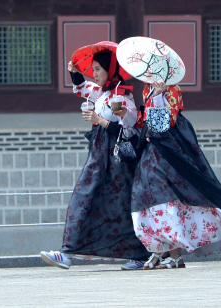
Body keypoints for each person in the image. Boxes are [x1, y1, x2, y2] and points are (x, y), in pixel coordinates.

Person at [40, 49, 150, 270]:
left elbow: (128, 126)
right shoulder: (101, 92)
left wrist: (98, 119)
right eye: (93, 69)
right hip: (99, 155)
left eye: (98, 69)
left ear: (109, 70)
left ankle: (140, 254)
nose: (94, 73)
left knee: (121, 205)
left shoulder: (121, 95)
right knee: (84, 198)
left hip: (117, 160)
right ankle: (67, 252)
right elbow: (82, 89)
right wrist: (74, 72)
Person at [131, 80, 221, 269]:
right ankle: (159, 250)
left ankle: (175, 255)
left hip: (169, 151)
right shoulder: (147, 89)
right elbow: (146, 122)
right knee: (145, 197)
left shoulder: (172, 90)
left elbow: (165, 125)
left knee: (169, 199)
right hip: (150, 151)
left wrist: (158, 98)